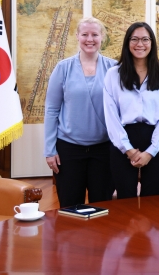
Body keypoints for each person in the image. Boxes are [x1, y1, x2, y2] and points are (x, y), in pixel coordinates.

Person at [44, 17, 116, 207]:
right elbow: (52, 110)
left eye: (95, 34)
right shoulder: (63, 68)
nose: (89, 39)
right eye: (85, 34)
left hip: (104, 151)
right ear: (77, 36)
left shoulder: (114, 68)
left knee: (102, 207)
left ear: (102, 37)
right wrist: (49, 150)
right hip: (68, 150)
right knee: (70, 207)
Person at [103, 22, 159, 199]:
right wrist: (128, 150)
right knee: (125, 199)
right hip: (123, 143)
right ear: (127, 43)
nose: (139, 44)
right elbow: (111, 116)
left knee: (153, 201)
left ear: (152, 43)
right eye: (134, 39)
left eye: (145, 39)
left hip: (155, 142)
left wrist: (150, 152)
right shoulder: (114, 75)